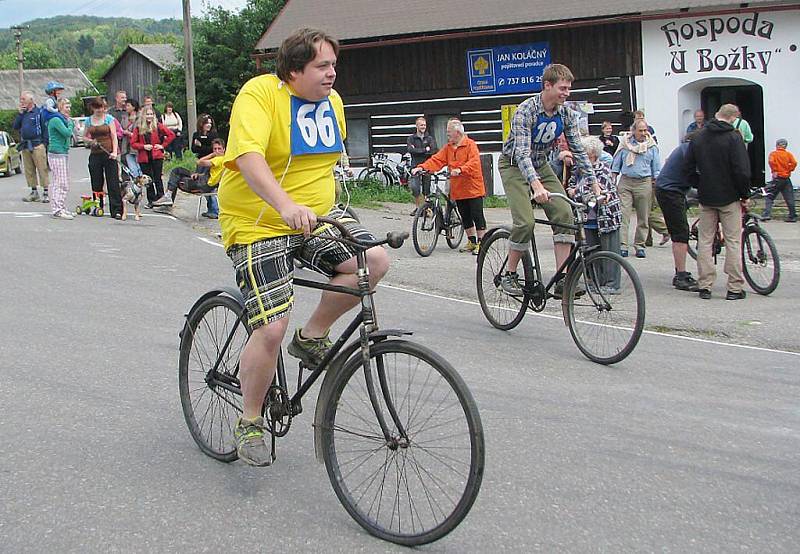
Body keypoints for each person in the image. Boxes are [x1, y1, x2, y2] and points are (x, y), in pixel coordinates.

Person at [218, 28, 390, 466]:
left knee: (373, 262)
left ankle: (311, 335)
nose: (333, 73)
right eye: (322, 66)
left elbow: (322, 162)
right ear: (294, 69)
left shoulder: (332, 103)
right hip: (258, 222)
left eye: (334, 65)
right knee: (270, 326)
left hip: (316, 218)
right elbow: (250, 158)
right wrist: (285, 204)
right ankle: (250, 419)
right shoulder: (259, 95)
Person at [498, 63, 601, 296]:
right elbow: (522, 154)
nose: (567, 93)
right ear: (547, 86)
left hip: (540, 163)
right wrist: (536, 186)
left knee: (565, 213)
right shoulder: (526, 111)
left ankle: (562, 279)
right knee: (525, 222)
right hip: (514, 165)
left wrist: (594, 185)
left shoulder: (566, 114)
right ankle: (510, 274)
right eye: (563, 88)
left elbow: (578, 150)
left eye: (568, 89)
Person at [683, 104, 751, 300]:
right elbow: (742, 171)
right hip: (729, 196)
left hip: (707, 195)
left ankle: (705, 285)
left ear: (717, 115)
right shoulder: (733, 137)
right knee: (732, 241)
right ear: (733, 118)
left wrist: (700, 183)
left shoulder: (698, 136)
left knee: (705, 241)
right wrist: (744, 194)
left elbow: (688, 168)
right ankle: (734, 287)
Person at [412, 119, 487, 255]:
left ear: (457, 133)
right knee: (465, 215)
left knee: (477, 215)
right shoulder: (448, 147)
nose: (447, 136)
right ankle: (472, 241)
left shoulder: (470, 145)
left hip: (473, 188)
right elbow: (437, 160)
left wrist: (461, 170)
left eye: (449, 133)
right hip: (458, 188)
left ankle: (482, 242)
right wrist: (421, 167)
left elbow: (474, 163)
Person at [567, 135, 622, 291]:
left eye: (586, 156)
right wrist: (576, 191)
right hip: (587, 218)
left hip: (606, 217)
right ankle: (595, 282)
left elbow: (589, 192)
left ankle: (611, 284)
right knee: (591, 250)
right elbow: (571, 187)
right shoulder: (578, 170)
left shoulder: (602, 169)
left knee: (609, 250)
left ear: (594, 155)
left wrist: (576, 192)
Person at [655, 133, 701, 291]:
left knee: (681, 229)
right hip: (670, 191)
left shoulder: (685, 148)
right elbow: (697, 174)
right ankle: (680, 275)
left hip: (674, 188)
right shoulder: (689, 151)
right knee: (680, 233)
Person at [612, 119, 661, 258]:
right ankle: (622, 246)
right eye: (640, 131)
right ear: (633, 131)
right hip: (626, 182)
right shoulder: (625, 144)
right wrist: (612, 179)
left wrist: (656, 182)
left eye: (645, 130)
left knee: (643, 216)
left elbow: (656, 167)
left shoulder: (651, 146)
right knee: (623, 215)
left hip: (644, 182)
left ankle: (640, 245)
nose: (643, 133)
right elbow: (616, 165)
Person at [152, 138, 225, 219]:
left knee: (176, 174)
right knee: (178, 173)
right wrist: (197, 174)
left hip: (203, 185)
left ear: (224, 150)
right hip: (205, 182)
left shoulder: (219, 159)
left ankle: (168, 199)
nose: (217, 151)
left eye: (219, 149)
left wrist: (212, 155)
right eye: (215, 149)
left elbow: (200, 162)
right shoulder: (222, 160)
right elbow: (209, 172)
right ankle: (168, 199)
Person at [83, 96, 123, 219]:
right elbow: (84, 137)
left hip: (109, 153)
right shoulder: (88, 121)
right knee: (96, 181)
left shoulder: (109, 119)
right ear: (92, 108)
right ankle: (98, 205)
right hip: (95, 154)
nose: (99, 110)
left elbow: (114, 136)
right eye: (96, 108)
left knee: (113, 182)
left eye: (101, 107)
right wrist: (90, 141)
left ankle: (116, 209)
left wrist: (115, 152)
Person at [130, 105, 175, 207]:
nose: (149, 116)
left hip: (156, 156)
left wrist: (162, 146)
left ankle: (161, 198)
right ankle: (151, 200)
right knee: (147, 180)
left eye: (151, 114)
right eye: (147, 114)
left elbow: (171, 135)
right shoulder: (138, 127)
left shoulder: (158, 126)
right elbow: (133, 143)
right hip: (144, 158)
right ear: (143, 115)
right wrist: (143, 146)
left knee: (158, 178)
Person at [13, 91, 50, 203]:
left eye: (23, 99)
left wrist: (44, 143)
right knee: (29, 170)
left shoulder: (39, 113)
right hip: (25, 145)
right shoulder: (23, 114)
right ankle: (34, 192)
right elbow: (15, 126)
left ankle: (46, 192)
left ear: (31, 101)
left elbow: (45, 129)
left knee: (42, 169)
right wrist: (20, 114)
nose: (21, 101)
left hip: (38, 144)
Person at [46, 98, 75, 220]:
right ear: (60, 107)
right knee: (61, 182)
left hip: (62, 152)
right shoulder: (56, 120)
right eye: (66, 107)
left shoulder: (61, 119)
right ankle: (57, 209)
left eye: (69, 107)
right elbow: (67, 133)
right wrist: (71, 124)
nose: (68, 109)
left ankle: (60, 206)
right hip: (56, 153)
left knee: (61, 180)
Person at [406, 116, 437, 215]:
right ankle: (418, 208)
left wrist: (419, 151)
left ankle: (425, 208)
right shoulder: (411, 138)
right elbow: (411, 150)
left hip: (427, 166)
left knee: (426, 188)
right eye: (421, 125)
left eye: (424, 125)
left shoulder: (429, 138)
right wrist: (425, 150)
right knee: (415, 188)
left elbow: (433, 150)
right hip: (415, 166)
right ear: (417, 126)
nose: (423, 127)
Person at [762, 138, 797, 222]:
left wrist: (775, 170)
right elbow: (794, 163)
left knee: (769, 196)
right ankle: (792, 216)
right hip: (786, 178)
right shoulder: (788, 154)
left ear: (777, 145)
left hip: (777, 178)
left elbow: (771, 162)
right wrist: (789, 169)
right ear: (785, 146)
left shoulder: (773, 154)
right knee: (789, 198)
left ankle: (766, 214)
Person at [190, 114, 219, 215]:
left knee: (209, 184)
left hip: (210, 162)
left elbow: (212, 150)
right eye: (207, 123)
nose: (209, 125)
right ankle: (210, 209)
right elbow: (194, 149)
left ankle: (215, 210)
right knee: (201, 184)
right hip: (200, 161)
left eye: (210, 123)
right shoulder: (196, 134)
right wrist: (201, 147)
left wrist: (201, 145)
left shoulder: (214, 135)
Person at [121, 98, 143, 180]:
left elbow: (141, 132)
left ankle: (141, 184)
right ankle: (136, 185)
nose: (126, 107)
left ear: (133, 107)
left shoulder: (140, 118)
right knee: (132, 169)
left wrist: (130, 134)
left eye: (128, 105)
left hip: (137, 146)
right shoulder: (124, 118)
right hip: (127, 146)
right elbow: (121, 129)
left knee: (139, 167)